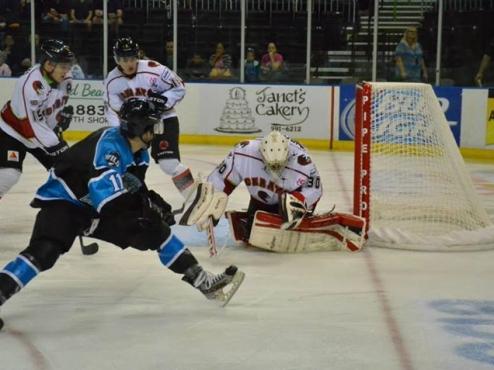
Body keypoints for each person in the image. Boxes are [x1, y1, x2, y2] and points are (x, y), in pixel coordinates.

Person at [0, 98, 245, 330]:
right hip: (65, 203)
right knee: (45, 251)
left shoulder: (138, 151)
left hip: (94, 207)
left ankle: (204, 282)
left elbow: (133, 185)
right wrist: (141, 213)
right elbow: (109, 200)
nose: (157, 131)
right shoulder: (108, 149)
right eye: (153, 125)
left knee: (156, 229)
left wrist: (154, 205)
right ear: (142, 129)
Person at [206, 131, 365, 253]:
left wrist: (299, 201)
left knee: (287, 207)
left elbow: (315, 190)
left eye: (280, 165)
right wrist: (212, 201)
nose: (275, 170)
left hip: (289, 201)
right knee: (250, 235)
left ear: (288, 155)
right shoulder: (243, 152)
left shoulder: (303, 162)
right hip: (259, 199)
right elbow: (221, 179)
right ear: (261, 155)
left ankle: (299, 219)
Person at [104, 37, 195, 200]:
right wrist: (121, 131)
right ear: (117, 59)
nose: (129, 63)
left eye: (132, 57)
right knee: (129, 167)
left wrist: (163, 100)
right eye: (124, 59)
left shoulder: (155, 69)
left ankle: (193, 196)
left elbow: (179, 87)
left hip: (162, 119)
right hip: (135, 127)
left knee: (169, 164)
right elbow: (113, 109)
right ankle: (135, 201)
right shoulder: (112, 80)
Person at [0, 39, 74, 201]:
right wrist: (56, 145)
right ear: (48, 65)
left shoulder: (66, 79)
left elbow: (52, 110)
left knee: (69, 171)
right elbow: (30, 127)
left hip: (39, 134)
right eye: (63, 66)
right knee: (9, 174)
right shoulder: (29, 85)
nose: (67, 70)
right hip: (13, 132)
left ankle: (71, 213)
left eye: (68, 65)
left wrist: (58, 123)